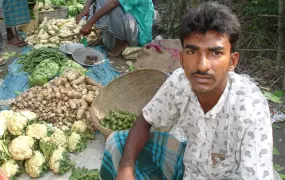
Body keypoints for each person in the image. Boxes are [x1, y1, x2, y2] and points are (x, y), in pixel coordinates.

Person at [99, 2, 277, 180]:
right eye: (193, 51)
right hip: (190, 166)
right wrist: (126, 167)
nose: (202, 65)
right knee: (118, 143)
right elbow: (145, 121)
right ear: (182, 58)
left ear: (232, 62)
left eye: (215, 53)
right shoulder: (179, 82)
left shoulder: (249, 108)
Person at [76, 0, 154, 57]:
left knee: (114, 7)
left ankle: (120, 43)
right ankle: (104, 36)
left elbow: (114, 2)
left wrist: (90, 22)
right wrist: (86, 7)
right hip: (126, 27)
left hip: (139, 34)